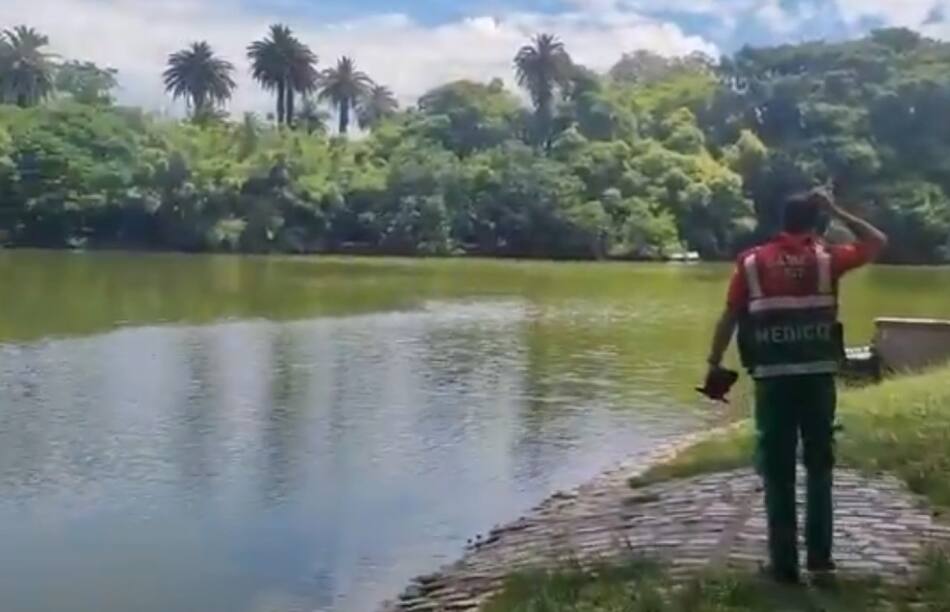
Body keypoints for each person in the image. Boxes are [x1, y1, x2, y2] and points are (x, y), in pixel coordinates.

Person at [704, 188, 888, 583]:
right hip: (817, 379)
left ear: (781, 221)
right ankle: (820, 560)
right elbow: (876, 241)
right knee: (819, 466)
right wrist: (837, 210)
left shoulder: (752, 263)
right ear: (815, 222)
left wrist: (714, 362)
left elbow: (730, 316)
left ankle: (784, 564)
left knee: (777, 470)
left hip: (773, 381)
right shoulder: (827, 259)